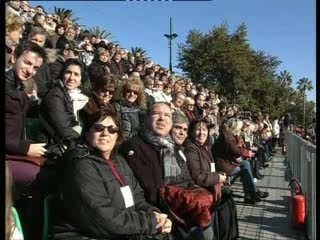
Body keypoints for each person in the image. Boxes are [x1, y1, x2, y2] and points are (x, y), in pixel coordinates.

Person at [51, 105, 172, 240]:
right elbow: (101, 218)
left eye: (112, 129)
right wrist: (149, 222)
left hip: (117, 231)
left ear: (117, 136)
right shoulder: (80, 164)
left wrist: (155, 214)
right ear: (87, 133)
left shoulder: (119, 161)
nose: (105, 133)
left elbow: (137, 199)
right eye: (98, 128)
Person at [212, 118, 269, 204]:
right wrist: (247, 153)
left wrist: (245, 151)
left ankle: (251, 194)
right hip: (224, 166)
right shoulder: (227, 137)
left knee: (246, 165)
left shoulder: (227, 135)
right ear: (235, 128)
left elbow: (235, 150)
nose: (240, 130)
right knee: (245, 167)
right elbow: (235, 150)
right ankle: (251, 193)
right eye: (239, 128)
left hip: (226, 163)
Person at [6, 41, 47, 157]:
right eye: (27, 63)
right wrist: (25, 148)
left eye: (35, 68)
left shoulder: (19, 90)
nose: (30, 70)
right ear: (14, 58)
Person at [39, 59, 85, 146]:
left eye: (76, 74)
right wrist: (83, 142)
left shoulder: (68, 95)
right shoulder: (55, 95)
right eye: (68, 72)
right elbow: (64, 130)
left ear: (80, 81)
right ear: (62, 75)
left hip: (65, 142)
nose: (71, 78)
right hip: (52, 146)